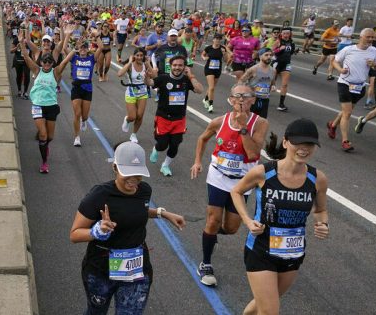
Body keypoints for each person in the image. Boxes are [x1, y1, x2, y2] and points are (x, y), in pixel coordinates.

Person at [69, 141, 185, 315]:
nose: (134, 180)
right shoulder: (99, 195)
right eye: (128, 173)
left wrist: (163, 214)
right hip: (101, 271)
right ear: (115, 168)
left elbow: (137, 211)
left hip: (136, 271)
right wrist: (97, 231)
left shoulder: (144, 190)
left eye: (138, 174)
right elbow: (74, 234)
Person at [231, 119, 329, 315]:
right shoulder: (264, 173)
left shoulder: (317, 179)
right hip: (260, 249)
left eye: (309, 144)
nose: (304, 149)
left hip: (293, 252)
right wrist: (248, 221)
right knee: (270, 311)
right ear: (285, 143)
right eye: (298, 143)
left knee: (264, 304)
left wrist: (323, 224)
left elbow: (320, 210)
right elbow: (236, 191)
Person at [190, 83, 268, 287]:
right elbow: (202, 138)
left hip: (242, 182)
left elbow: (252, 154)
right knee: (213, 219)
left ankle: (212, 233)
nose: (241, 100)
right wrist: (198, 161)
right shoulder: (219, 121)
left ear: (253, 100)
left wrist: (243, 128)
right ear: (231, 99)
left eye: (245, 96)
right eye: (237, 96)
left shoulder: (259, 123)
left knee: (232, 228)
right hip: (218, 175)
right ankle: (205, 263)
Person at [19, 40, 71, 173]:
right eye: (45, 62)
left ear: (52, 63)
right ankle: (44, 163)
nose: (47, 64)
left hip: (51, 107)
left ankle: (45, 145)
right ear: (41, 62)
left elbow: (64, 62)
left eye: (49, 62)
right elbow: (26, 56)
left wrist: (74, 50)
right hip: (38, 105)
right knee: (43, 135)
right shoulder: (37, 70)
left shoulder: (56, 72)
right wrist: (21, 42)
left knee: (50, 137)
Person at [147, 55, 204, 176]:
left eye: (180, 65)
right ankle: (156, 149)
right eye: (175, 65)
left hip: (179, 119)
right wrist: (146, 76)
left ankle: (165, 165)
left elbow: (200, 90)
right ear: (170, 66)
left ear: (184, 67)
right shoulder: (163, 78)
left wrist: (191, 76)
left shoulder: (186, 80)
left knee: (175, 145)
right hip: (163, 117)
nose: (177, 67)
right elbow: (150, 82)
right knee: (162, 145)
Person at [326, 28, 376, 152]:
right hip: (344, 83)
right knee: (348, 113)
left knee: (347, 111)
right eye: (368, 37)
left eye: (373, 37)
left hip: (359, 86)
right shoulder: (349, 49)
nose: (371, 39)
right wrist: (340, 70)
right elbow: (334, 61)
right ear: (361, 37)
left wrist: (375, 65)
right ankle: (345, 141)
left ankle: (333, 125)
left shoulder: (374, 51)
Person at [64, 41, 102, 147]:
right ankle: (77, 137)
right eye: (81, 47)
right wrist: (67, 35)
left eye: (85, 47)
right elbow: (64, 48)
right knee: (77, 114)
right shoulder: (74, 58)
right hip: (76, 87)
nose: (83, 49)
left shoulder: (92, 59)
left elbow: (101, 47)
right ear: (78, 49)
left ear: (88, 49)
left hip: (87, 88)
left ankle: (84, 120)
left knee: (84, 116)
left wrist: (97, 36)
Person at [117, 48, 152, 143]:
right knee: (132, 116)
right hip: (131, 92)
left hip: (143, 93)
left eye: (141, 55)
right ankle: (127, 120)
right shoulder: (130, 65)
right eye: (137, 55)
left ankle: (134, 134)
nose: (139, 57)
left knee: (140, 116)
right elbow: (119, 74)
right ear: (134, 56)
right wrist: (129, 62)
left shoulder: (146, 65)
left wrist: (149, 64)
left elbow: (155, 76)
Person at [240, 48, 276, 118]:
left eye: (270, 55)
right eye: (266, 55)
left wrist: (273, 86)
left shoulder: (273, 70)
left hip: (265, 100)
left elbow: (272, 82)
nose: (269, 57)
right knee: (249, 121)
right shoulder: (253, 69)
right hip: (252, 100)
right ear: (260, 56)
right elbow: (241, 81)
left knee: (261, 122)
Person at [201, 33, 228, 113]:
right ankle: (211, 105)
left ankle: (205, 99)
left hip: (217, 69)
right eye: (216, 39)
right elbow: (203, 54)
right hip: (209, 69)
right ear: (213, 40)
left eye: (219, 39)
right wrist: (204, 58)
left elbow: (226, 60)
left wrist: (224, 53)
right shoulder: (209, 48)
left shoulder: (222, 48)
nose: (217, 40)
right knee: (212, 87)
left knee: (211, 87)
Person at [272, 28, 296, 112]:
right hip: (277, 63)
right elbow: (272, 51)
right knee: (270, 82)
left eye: (287, 33)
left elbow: (291, 52)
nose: (286, 35)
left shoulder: (292, 43)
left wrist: (295, 51)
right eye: (284, 33)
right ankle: (262, 96)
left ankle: (281, 104)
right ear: (281, 34)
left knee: (285, 85)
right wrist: (279, 49)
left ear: (290, 34)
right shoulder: (278, 41)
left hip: (286, 64)